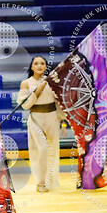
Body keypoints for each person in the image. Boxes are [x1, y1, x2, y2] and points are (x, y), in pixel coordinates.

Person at [18, 56, 67, 192]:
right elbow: (25, 105)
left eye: (42, 63)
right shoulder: (26, 83)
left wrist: (63, 123)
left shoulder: (52, 81)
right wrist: (38, 90)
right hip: (36, 119)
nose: (39, 66)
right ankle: (40, 182)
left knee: (52, 150)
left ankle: (49, 180)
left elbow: (59, 104)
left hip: (52, 118)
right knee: (42, 149)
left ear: (46, 66)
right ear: (32, 67)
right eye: (36, 63)